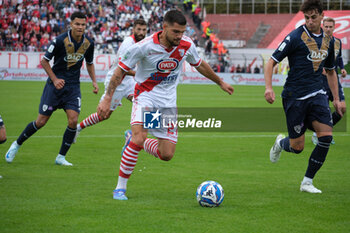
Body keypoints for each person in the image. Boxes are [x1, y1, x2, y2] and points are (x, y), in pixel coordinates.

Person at [97, 10, 234, 200]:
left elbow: (200, 64)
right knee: (140, 137)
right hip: (147, 97)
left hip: (167, 103)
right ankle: (120, 188)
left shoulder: (186, 45)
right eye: (176, 32)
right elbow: (120, 70)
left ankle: (133, 139)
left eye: (182, 32)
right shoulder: (144, 46)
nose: (180, 36)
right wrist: (107, 98)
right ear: (164, 27)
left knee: (166, 154)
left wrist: (220, 82)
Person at [264, 0, 342, 194]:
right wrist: (268, 88)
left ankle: (307, 182)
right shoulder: (295, 37)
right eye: (306, 17)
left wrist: (337, 99)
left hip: (317, 95)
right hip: (294, 97)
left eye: (313, 17)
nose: (309, 21)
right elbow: (271, 62)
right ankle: (281, 143)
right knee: (297, 147)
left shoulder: (329, 41)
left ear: (322, 16)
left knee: (326, 137)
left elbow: (331, 71)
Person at [5, 12, 99, 166]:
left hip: (73, 87)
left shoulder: (89, 43)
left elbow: (89, 63)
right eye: (77, 24)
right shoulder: (59, 40)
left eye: (83, 24)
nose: (80, 27)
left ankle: (61, 157)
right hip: (54, 87)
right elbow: (44, 61)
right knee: (41, 122)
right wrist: (55, 80)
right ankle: (17, 144)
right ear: (71, 24)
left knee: (73, 121)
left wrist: (94, 81)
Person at [73, 19, 147, 143]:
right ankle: (77, 128)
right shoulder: (128, 44)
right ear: (133, 29)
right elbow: (120, 69)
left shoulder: (142, 42)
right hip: (116, 81)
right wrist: (140, 74)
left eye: (144, 30)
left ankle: (132, 134)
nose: (141, 32)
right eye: (139, 29)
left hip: (128, 81)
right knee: (104, 115)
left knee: (144, 101)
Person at [311, 17, 347, 145]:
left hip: (334, 79)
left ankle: (322, 131)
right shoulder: (317, 42)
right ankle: (320, 134)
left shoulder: (337, 42)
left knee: (342, 108)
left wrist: (342, 68)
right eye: (325, 26)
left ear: (334, 27)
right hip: (320, 81)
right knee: (324, 110)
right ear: (322, 26)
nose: (328, 29)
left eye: (330, 27)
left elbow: (339, 57)